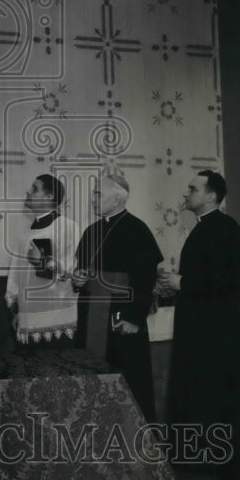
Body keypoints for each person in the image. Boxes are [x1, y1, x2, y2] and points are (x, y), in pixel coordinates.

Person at [160, 171, 240, 480]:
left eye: (193, 188)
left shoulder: (226, 229)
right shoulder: (206, 229)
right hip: (202, 330)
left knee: (217, 394)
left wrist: (183, 283)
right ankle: (201, 461)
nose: (186, 193)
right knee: (202, 391)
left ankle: (224, 467)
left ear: (212, 197)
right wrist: (176, 284)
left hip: (216, 335)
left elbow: (228, 282)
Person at [74, 171, 162, 422]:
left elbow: (145, 280)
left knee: (127, 380)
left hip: (122, 318)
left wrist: (134, 318)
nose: (92, 199)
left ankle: (134, 442)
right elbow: (82, 272)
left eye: (98, 194)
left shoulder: (137, 230)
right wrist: (78, 279)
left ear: (118, 198)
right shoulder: (91, 231)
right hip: (91, 316)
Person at [5, 174, 80, 345]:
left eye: (34, 188)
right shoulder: (25, 232)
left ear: (49, 197)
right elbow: (16, 273)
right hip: (27, 314)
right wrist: (17, 311)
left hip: (56, 315)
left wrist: (42, 261)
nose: (28, 191)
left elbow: (71, 272)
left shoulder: (67, 227)